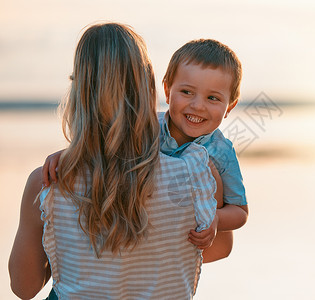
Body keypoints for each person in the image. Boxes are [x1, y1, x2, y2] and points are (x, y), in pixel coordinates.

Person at [9, 22, 217, 299]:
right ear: (149, 86)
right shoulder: (197, 172)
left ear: (79, 92)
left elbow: (24, 287)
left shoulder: (48, 181)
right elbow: (218, 248)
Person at [43, 39, 249, 262]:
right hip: (144, 235)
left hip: (189, 243)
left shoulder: (221, 152)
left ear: (229, 107)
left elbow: (240, 211)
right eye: (187, 92)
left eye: (212, 98)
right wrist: (70, 155)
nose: (198, 105)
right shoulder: (148, 127)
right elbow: (107, 149)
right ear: (168, 91)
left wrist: (216, 219)